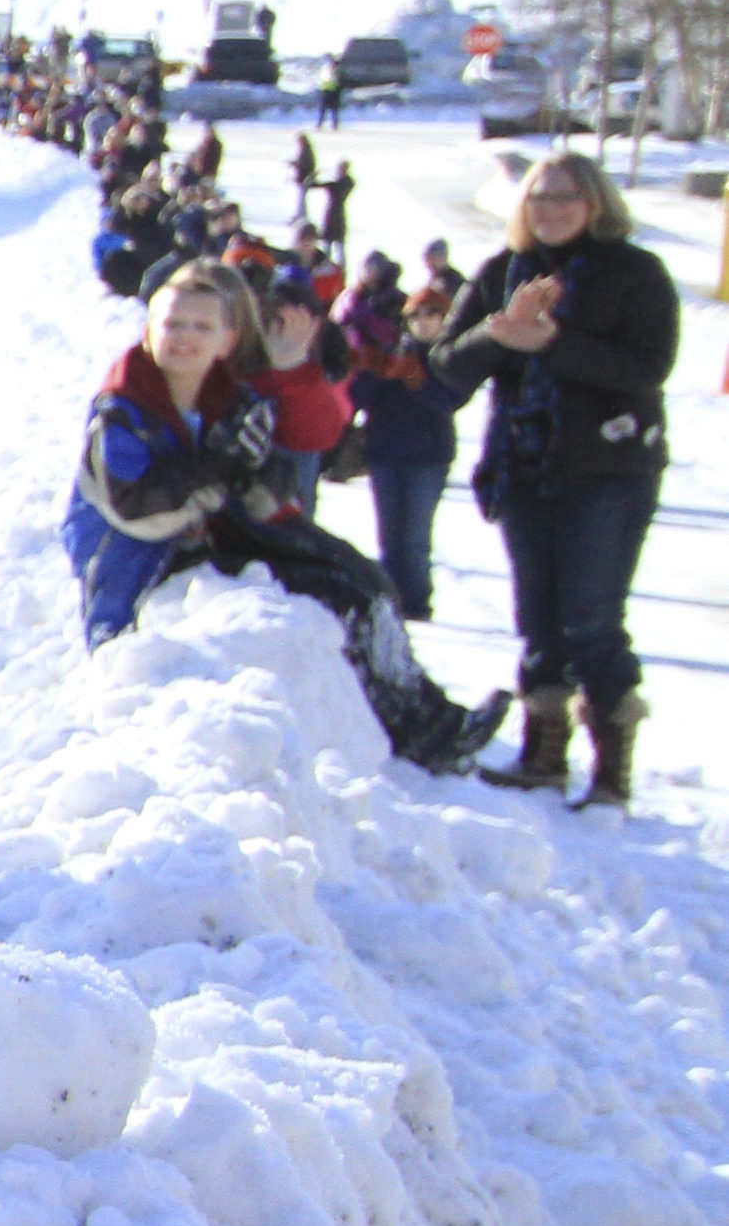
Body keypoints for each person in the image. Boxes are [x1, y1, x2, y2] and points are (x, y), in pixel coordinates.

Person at [62, 263, 505, 769]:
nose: (186, 338)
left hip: (211, 536)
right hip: (133, 559)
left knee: (362, 581)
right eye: (174, 325)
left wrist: (261, 466)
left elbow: (277, 477)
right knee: (328, 593)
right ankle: (412, 725)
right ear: (150, 329)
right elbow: (136, 512)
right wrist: (220, 466)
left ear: (229, 338)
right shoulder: (123, 409)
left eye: (202, 327)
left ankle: (423, 721)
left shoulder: (229, 396)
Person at [429, 153, 679, 807]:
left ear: (594, 204)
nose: (550, 208)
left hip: (609, 470)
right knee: (538, 620)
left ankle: (611, 770)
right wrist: (499, 333)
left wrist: (551, 344)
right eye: (538, 197)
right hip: (523, 468)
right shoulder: (498, 272)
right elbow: (448, 369)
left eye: (566, 196)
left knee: (591, 618)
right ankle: (542, 755)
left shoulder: (637, 274)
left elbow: (646, 370)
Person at [338, 253, 473, 625]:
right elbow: (360, 398)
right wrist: (378, 372)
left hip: (429, 456)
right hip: (384, 451)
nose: (424, 322)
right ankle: (390, 597)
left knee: (414, 536)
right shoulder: (391, 352)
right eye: (416, 316)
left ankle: (416, 602)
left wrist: (417, 380)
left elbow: (452, 401)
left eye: (432, 314)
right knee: (388, 533)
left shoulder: (451, 357)